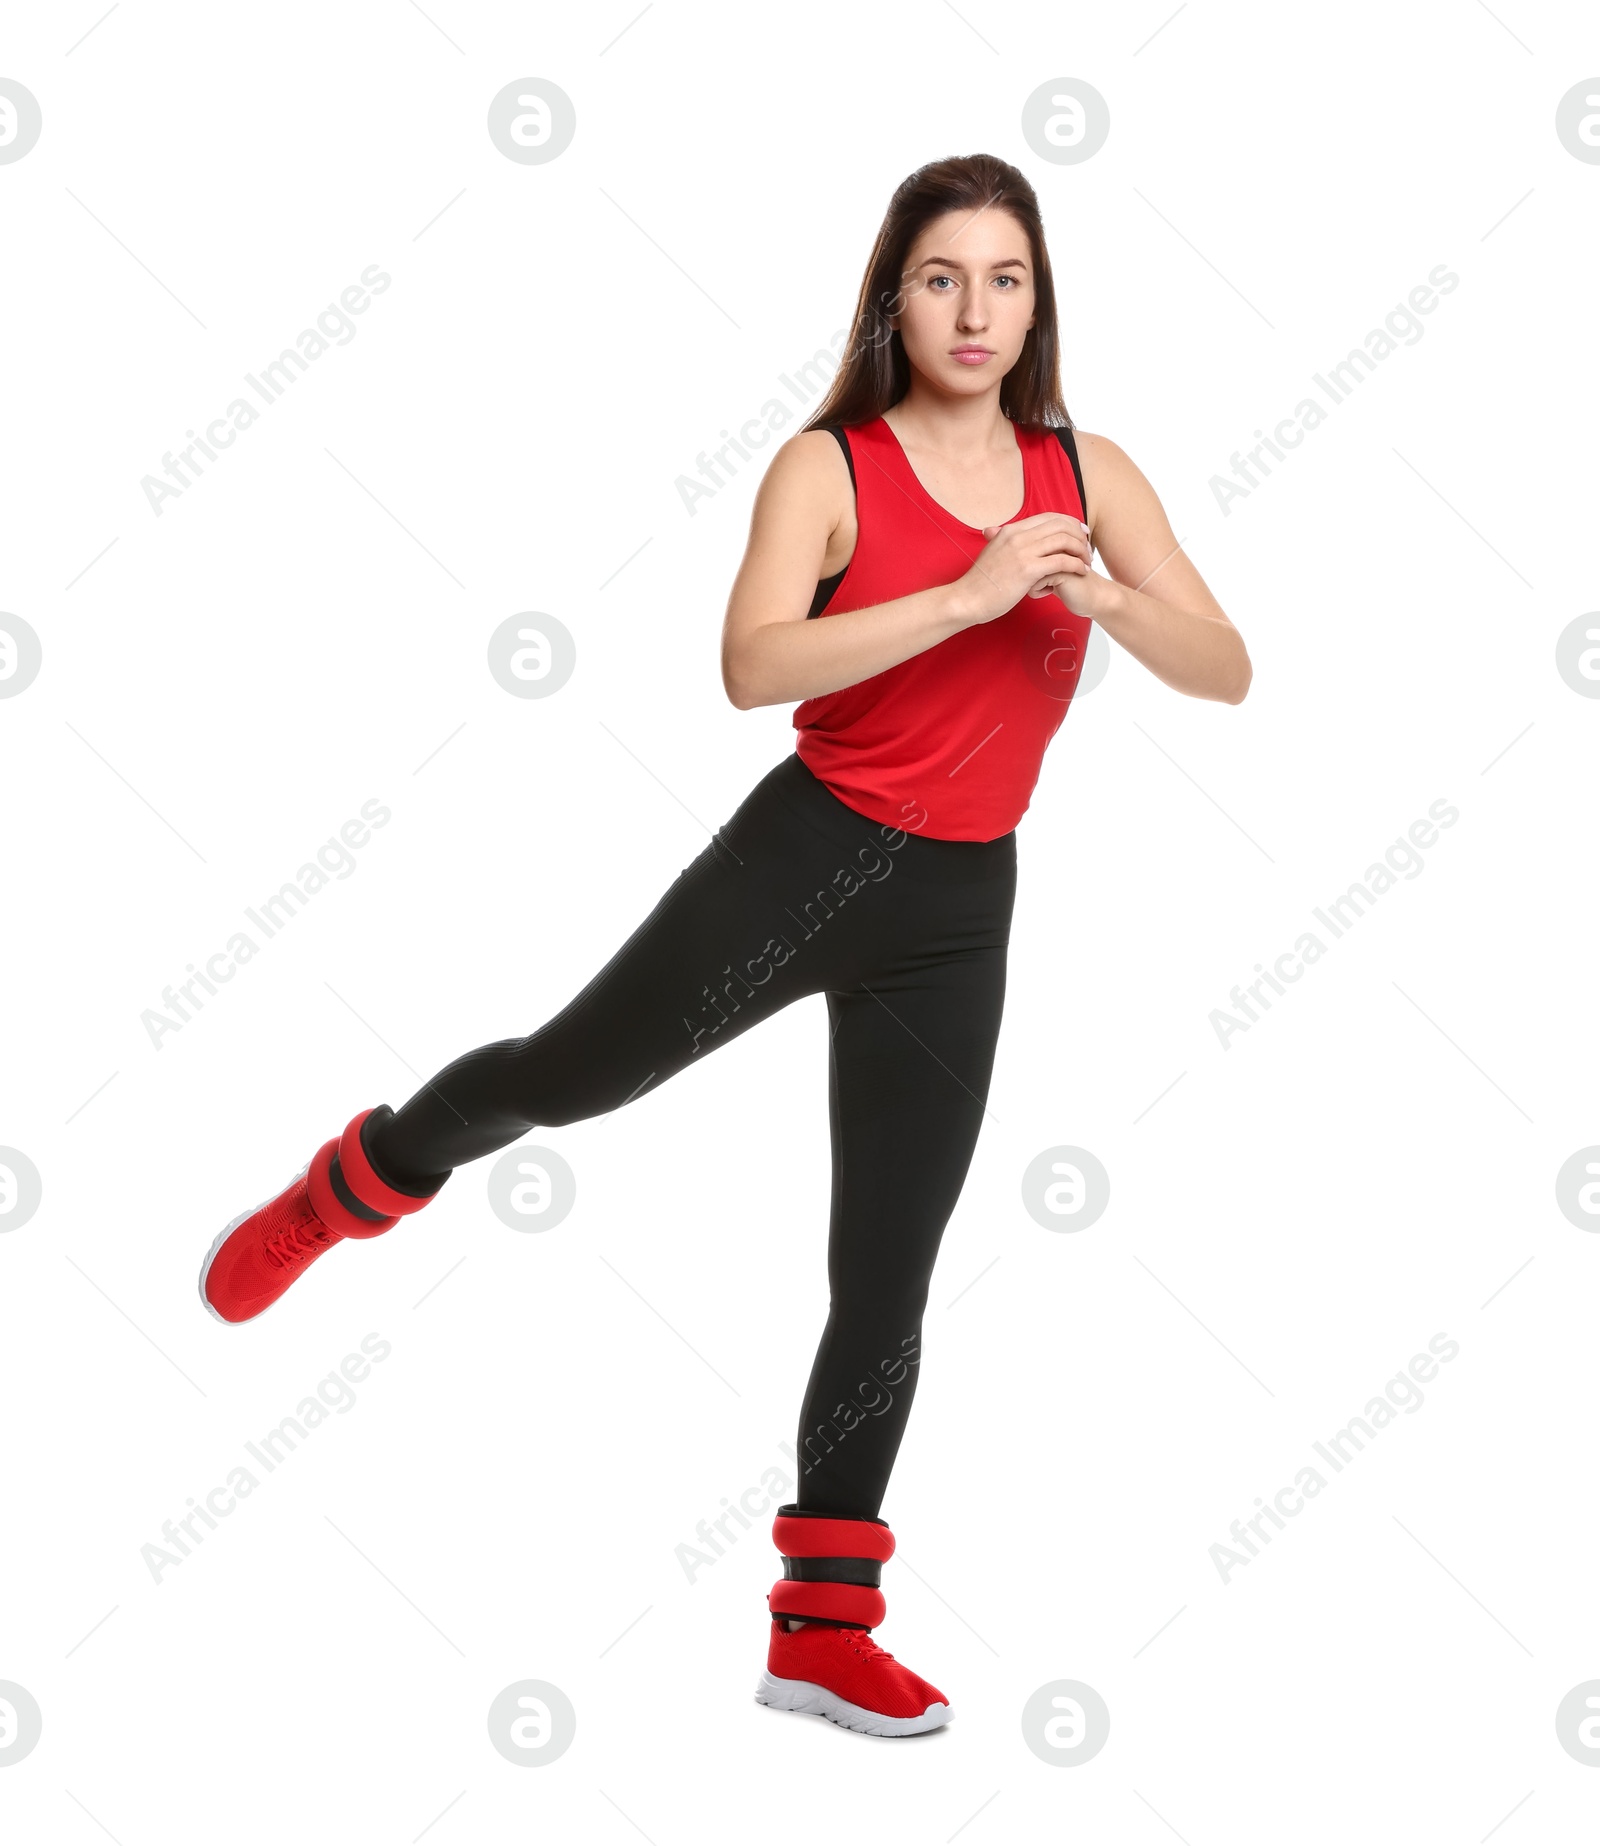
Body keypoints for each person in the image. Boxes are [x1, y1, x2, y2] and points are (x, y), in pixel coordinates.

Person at [198, 151, 1251, 1738]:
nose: (975, 309)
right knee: (567, 1077)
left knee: (887, 1269)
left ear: (1041, 301)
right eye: (942, 277)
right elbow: (753, 665)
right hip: (804, 859)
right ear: (894, 296)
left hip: (961, 911)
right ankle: (364, 1175)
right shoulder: (827, 465)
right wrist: (968, 598)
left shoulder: (1092, 475)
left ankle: (821, 1632)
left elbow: (1227, 666)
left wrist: (1106, 594)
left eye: (1007, 279)